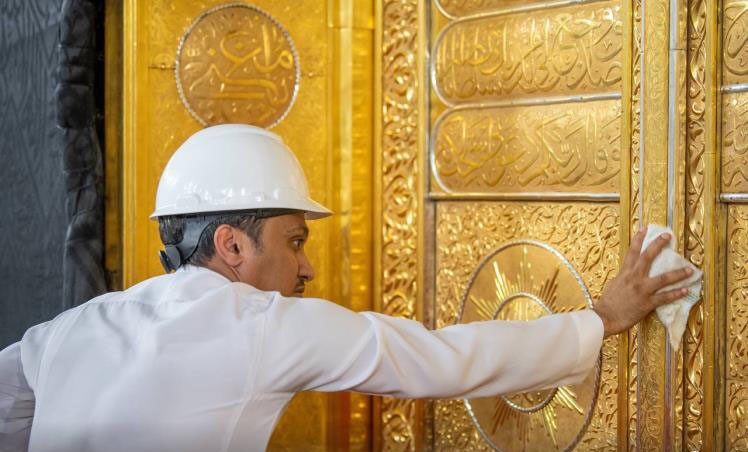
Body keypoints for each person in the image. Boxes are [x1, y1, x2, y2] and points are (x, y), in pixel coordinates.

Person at [0, 124, 693, 452]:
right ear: (232, 246)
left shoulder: (69, 329)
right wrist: (600, 318)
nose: (306, 270)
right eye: (295, 242)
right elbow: (441, 360)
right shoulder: (262, 325)